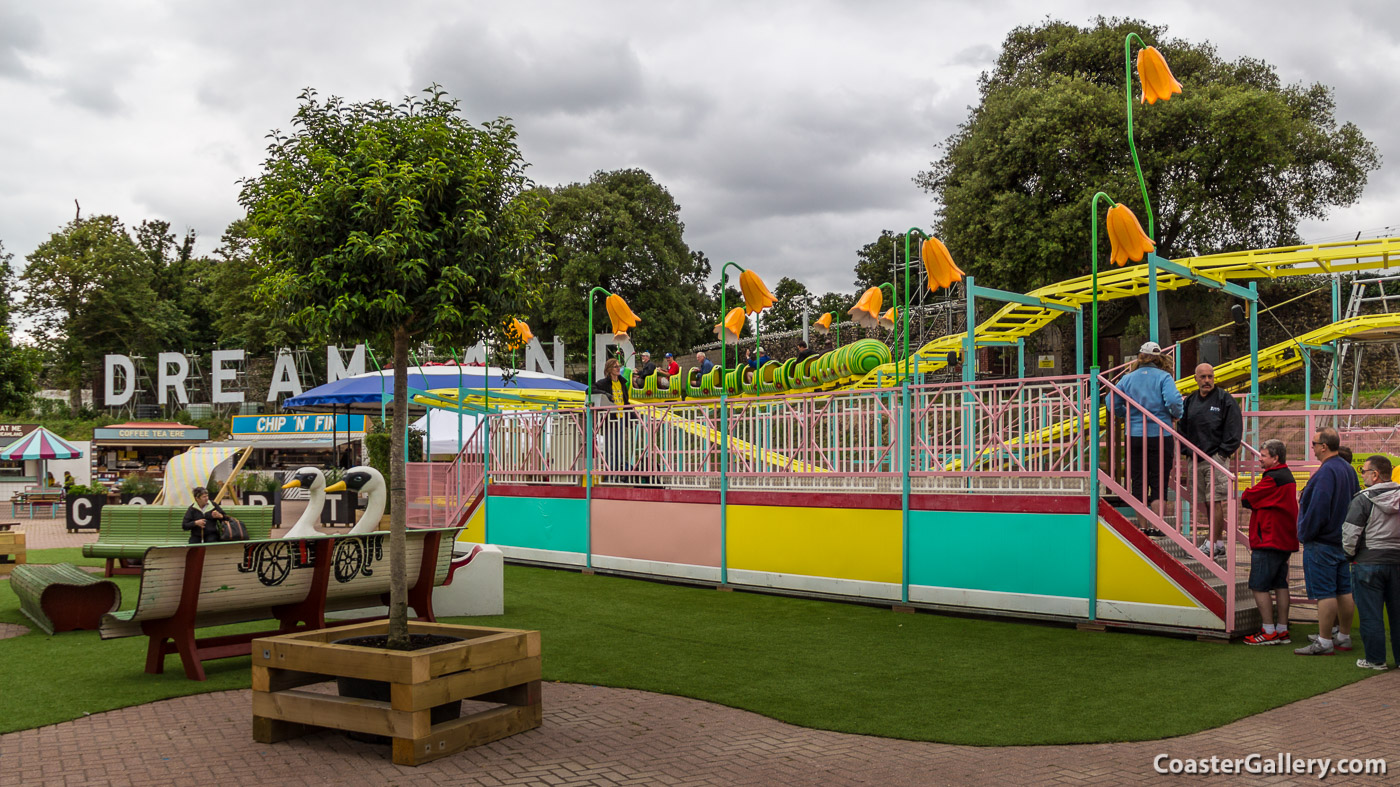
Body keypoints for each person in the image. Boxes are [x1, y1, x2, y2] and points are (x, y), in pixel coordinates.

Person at [1294, 427, 1359, 655]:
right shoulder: (1348, 470)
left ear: (1323, 446)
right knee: (1344, 590)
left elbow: (1318, 507)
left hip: (1323, 541)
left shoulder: (1325, 472)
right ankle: (1343, 635)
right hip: (1343, 541)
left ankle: (1324, 640)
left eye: (1313, 443)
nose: (1312, 447)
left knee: (1325, 593)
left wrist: (1305, 533)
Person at [1111, 341, 1183, 533]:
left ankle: (1143, 527)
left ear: (1140, 357)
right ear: (1158, 358)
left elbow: (1111, 400)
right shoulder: (1164, 377)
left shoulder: (1128, 379)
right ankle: (1159, 526)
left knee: (1138, 480)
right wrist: (1176, 414)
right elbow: (1174, 400)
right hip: (1161, 433)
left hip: (1134, 433)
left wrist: (1123, 413)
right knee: (1159, 480)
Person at [1177, 363, 1243, 558]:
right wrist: (1187, 451)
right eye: (1203, 377)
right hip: (1195, 458)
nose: (1207, 381)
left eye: (1210, 377)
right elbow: (1182, 428)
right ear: (1196, 378)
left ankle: (1212, 542)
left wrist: (1221, 454)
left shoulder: (1224, 399)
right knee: (1205, 502)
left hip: (1215, 458)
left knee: (1215, 501)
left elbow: (1234, 428)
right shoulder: (1190, 401)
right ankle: (1218, 542)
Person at [1343, 454, 1400, 670]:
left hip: (1368, 562)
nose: (1363, 475)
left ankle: (1376, 659)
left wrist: (1350, 555)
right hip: (1397, 561)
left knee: (1370, 613)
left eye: (1364, 471)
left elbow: (1350, 534)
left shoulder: (1362, 499)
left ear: (1375, 475)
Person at [1240, 439, 1299, 645]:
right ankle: (1281, 629)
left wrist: (1249, 496)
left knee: (1259, 585)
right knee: (1280, 584)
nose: (1260, 459)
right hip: (1283, 538)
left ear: (1275, 458)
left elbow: (1248, 497)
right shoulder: (1286, 476)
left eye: (1263, 455)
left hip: (1269, 538)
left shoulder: (1273, 478)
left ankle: (1268, 630)